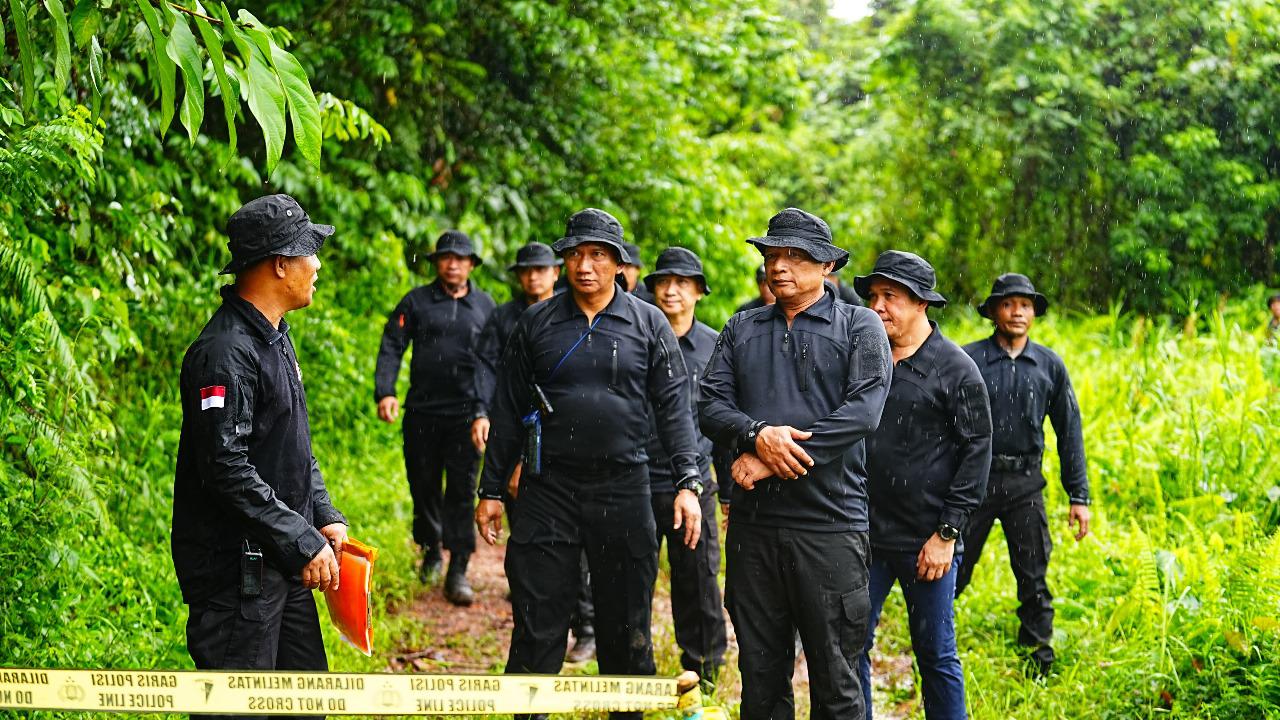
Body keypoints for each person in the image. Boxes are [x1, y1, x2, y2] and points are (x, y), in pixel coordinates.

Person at [475, 208, 704, 720]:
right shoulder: (535, 323)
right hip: (547, 490)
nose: (585, 265)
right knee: (538, 622)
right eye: (576, 254)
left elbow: (674, 410)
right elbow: (509, 411)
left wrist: (688, 482)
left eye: (598, 254)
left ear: (619, 264)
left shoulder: (648, 324)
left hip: (624, 489)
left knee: (626, 626)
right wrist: (491, 490)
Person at [699, 208, 892, 720]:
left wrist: (773, 460)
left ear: (828, 266)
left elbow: (864, 411)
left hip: (830, 528)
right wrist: (757, 436)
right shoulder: (741, 327)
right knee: (761, 679)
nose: (779, 267)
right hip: (755, 530)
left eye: (796, 257)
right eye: (772, 255)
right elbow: (710, 404)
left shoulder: (860, 325)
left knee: (835, 678)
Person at [173, 194, 347, 717]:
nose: (316, 266)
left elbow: (293, 444)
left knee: (305, 701)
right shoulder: (224, 353)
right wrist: (299, 537)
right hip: (238, 578)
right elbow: (226, 469)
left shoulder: (275, 339)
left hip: (283, 563)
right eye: (308, 254)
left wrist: (322, 516)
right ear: (279, 264)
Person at [856, 250, 991, 720]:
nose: (877, 306)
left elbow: (977, 453)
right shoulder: (864, 358)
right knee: (849, 644)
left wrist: (947, 534)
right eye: (873, 295)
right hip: (864, 534)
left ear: (920, 304)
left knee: (935, 652)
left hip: (926, 540)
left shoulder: (955, 368)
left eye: (889, 296)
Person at [956, 273, 1090, 676]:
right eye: (1009, 304)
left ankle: (1038, 656)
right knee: (952, 567)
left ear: (1033, 313)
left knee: (1033, 573)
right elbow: (941, 424)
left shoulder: (1048, 365)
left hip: (1025, 483)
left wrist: (1079, 496)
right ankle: (931, 640)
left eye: (1026, 305)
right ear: (994, 311)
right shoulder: (969, 360)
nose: (1018, 312)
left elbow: (1069, 431)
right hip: (973, 482)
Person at [375, 230, 495, 605]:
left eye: (461, 258)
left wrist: (485, 411)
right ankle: (431, 551)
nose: (453, 264)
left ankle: (458, 566)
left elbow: (494, 364)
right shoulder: (416, 302)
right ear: (437, 263)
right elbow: (392, 344)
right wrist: (386, 390)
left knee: (461, 491)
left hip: (466, 418)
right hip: (422, 413)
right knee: (423, 485)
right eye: (446, 257)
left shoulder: (486, 307)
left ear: (472, 264)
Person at [642, 247, 728, 688]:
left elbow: (728, 417)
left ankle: (705, 671)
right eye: (663, 282)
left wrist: (725, 488)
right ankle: (632, 675)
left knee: (698, 580)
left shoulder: (716, 346)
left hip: (695, 484)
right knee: (629, 580)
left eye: (681, 283)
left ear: (698, 292)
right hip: (636, 479)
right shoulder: (636, 337)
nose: (671, 290)